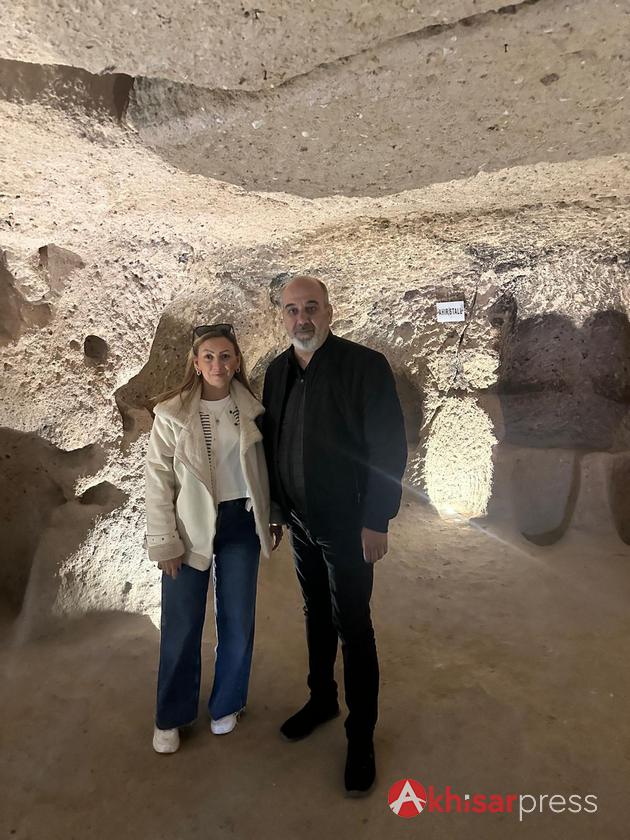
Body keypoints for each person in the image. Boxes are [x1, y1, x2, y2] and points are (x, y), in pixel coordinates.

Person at [262, 276, 408, 796]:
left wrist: (377, 518)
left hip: (348, 522)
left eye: (311, 308)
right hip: (300, 519)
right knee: (315, 613)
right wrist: (276, 509)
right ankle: (322, 699)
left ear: (329, 311)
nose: (301, 318)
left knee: (354, 624)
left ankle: (360, 736)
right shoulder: (276, 371)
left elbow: (388, 445)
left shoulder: (364, 365)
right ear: (282, 316)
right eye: (292, 309)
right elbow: (271, 442)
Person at [145, 323, 282, 754]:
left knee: (238, 619)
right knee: (182, 623)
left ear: (237, 361)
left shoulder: (252, 410)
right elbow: (158, 480)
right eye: (208, 356)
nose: (217, 364)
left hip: (241, 521)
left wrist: (270, 516)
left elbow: (265, 470)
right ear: (196, 362)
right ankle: (171, 716)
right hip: (191, 525)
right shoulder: (171, 415)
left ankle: (228, 702)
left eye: (225, 356)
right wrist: (165, 540)